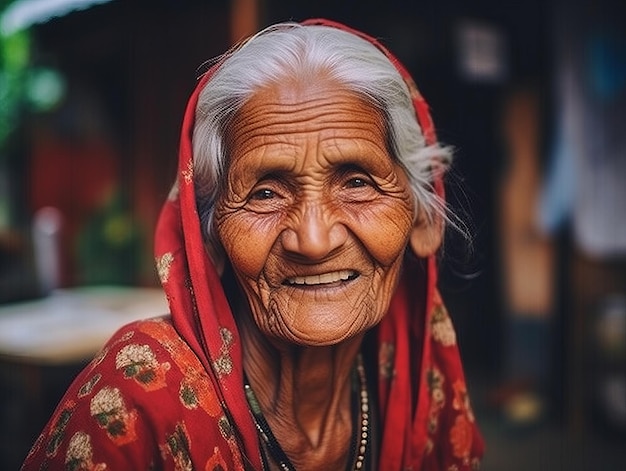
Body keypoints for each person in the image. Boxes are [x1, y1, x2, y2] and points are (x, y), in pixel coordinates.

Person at [22, 19, 484, 470]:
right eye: (265, 193)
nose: (314, 240)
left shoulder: (421, 387)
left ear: (422, 217)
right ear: (210, 236)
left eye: (358, 183)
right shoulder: (138, 399)